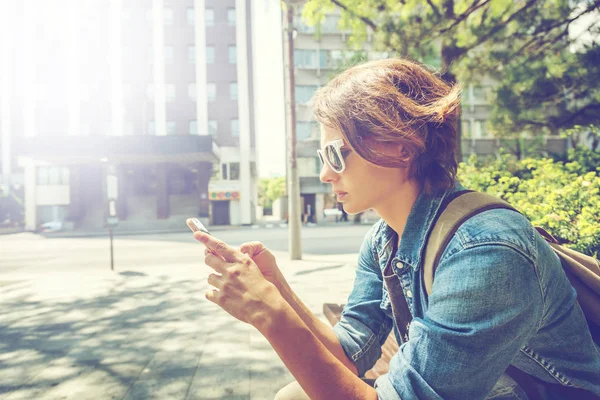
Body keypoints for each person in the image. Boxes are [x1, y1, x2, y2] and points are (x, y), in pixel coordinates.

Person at [193, 58, 600, 399]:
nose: (324, 174)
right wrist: (275, 286)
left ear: (400, 145)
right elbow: (350, 350)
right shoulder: (384, 240)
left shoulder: (486, 251)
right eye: (322, 155)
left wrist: (271, 316)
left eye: (336, 153)